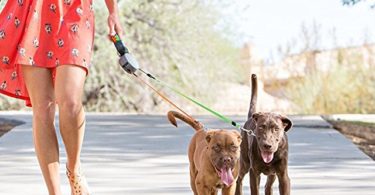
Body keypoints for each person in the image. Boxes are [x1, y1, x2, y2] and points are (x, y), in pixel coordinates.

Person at [0, 0, 123, 194]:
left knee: (71, 102)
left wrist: (113, 12)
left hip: (76, 11)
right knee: (43, 108)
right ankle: (54, 191)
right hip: (33, 11)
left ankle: (74, 170)